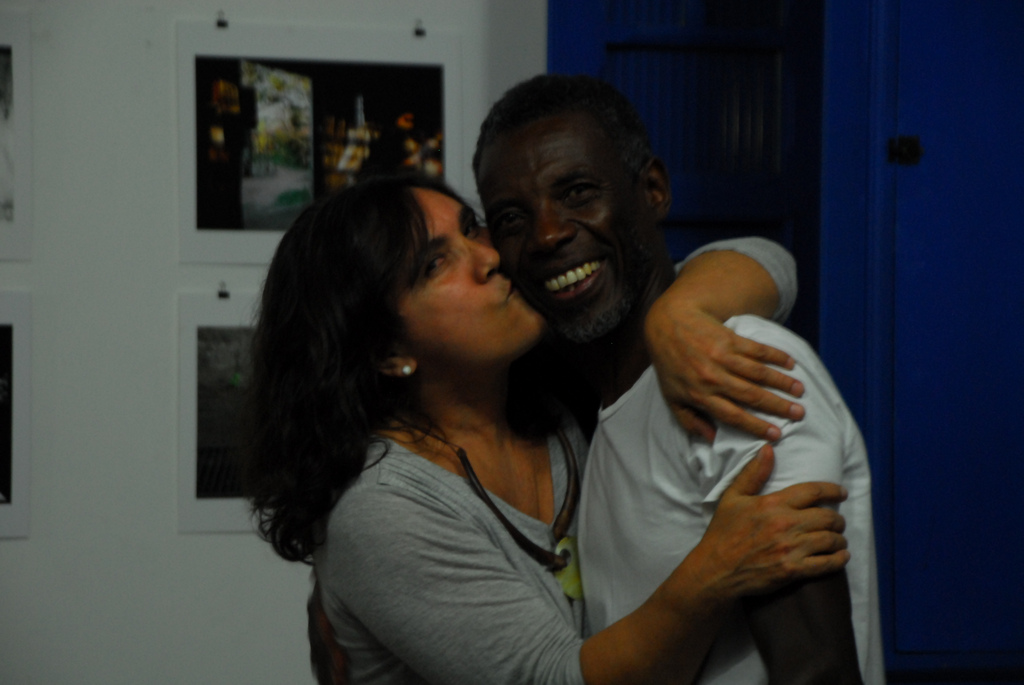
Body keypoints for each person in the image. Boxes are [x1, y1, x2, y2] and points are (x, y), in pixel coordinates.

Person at [242, 173, 851, 685]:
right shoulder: (382, 509)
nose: (488, 258)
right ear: (386, 352)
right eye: (435, 264)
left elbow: (770, 262)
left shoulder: (549, 389)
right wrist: (715, 570)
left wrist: (677, 314)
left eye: (473, 228)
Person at [473, 73, 884, 684]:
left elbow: (816, 670)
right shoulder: (581, 404)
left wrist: (677, 313)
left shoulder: (736, 366)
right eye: (512, 219)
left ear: (654, 190)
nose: (548, 234)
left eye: (578, 192)